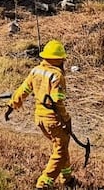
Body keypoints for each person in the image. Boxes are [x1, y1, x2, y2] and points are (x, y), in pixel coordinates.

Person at [5, 39, 76, 188]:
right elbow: (58, 103)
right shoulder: (57, 76)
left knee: (60, 146)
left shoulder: (36, 70)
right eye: (62, 59)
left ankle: (67, 178)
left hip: (39, 117)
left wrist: (12, 105)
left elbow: (23, 90)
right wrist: (66, 120)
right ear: (58, 59)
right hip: (53, 119)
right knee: (60, 151)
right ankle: (44, 183)